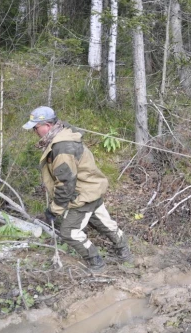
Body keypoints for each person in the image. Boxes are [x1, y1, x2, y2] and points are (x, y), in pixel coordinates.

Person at [23, 106, 131, 272]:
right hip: (91, 188)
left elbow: (66, 183)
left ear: (48, 125)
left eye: (36, 128)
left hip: (81, 194)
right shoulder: (62, 134)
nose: (34, 132)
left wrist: (55, 209)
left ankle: (96, 261)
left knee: (69, 232)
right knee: (103, 222)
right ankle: (124, 250)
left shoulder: (62, 147)